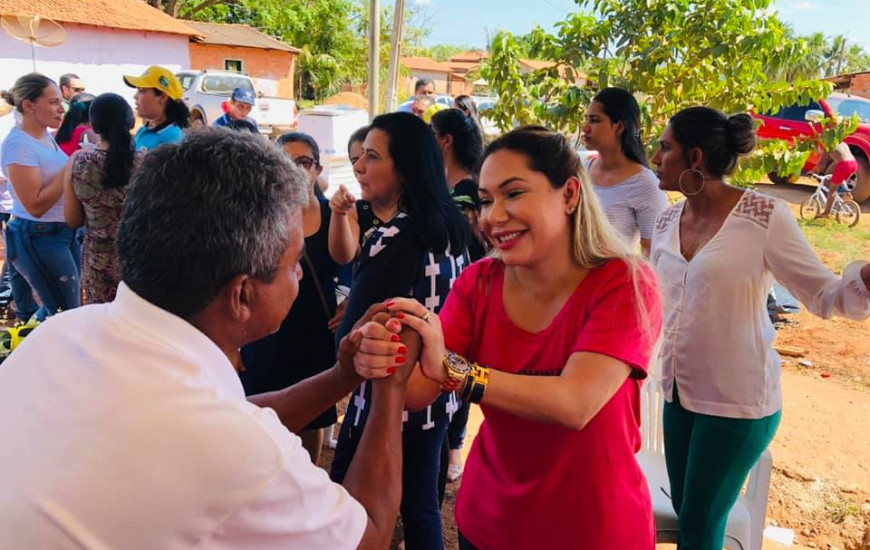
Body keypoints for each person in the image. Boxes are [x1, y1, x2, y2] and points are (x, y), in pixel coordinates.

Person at [0, 128, 419, 549]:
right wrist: (390, 387)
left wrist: (343, 375)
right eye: (294, 264)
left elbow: (230, 419)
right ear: (241, 295)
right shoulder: (230, 447)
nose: (298, 276)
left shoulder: (61, 333)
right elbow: (372, 536)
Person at [354, 125, 663, 549]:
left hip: (593, 527)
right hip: (490, 520)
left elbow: (574, 403)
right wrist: (389, 349)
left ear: (570, 195)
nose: (492, 216)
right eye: (485, 200)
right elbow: (419, 389)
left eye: (513, 194)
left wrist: (455, 371)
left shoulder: (624, 282)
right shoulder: (479, 282)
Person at [648, 106, 870, 549]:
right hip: (677, 396)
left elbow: (826, 296)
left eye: (664, 147)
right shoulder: (666, 220)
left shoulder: (764, 217)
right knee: (688, 514)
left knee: (699, 526)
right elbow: (657, 305)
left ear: (694, 157)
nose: (655, 157)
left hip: (736, 405)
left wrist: (864, 280)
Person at [329, 113, 468, 550]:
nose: (360, 167)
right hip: (438, 394)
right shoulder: (453, 229)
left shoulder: (390, 237)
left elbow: (348, 342)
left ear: (404, 167)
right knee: (423, 506)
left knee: (351, 507)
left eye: (372, 157)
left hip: (384, 406)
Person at [240, 132, 347, 465]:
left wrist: (349, 301)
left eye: (303, 162)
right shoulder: (258, 215)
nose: (296, 170)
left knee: (311, 413)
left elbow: (353, 263)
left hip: (315, 327)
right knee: (259, 409)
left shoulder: (336, 214)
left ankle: (307, 474)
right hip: (266, 330)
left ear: (317, 169)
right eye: (286, 162)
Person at [430, 108, 487, 485]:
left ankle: (453, 448)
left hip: (469, 294)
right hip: (449, 295)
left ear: (445, 141)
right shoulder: (443, 188)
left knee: (459, 374)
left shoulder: (467, 192)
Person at [1, 74, 80, 320]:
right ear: (28, 105)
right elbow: (35, 205)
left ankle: (28, 346)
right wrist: (71, 165)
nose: (62, 108)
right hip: (38, 234)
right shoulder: (18, 145)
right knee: (64, 312)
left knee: (63, 307)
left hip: (61, 232)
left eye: (61, 102)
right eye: (54, 102)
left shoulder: (44, 136)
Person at [63, 93, 144, 304]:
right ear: (131, 122)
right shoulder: (146, 162)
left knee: (100, 324)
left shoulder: (80, 162)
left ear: (94, 126)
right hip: (137, 257)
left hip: (97, 261)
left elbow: (72, 220)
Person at [583, 87, 667, 257]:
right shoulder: (580, 165)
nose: (585, 128)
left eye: (594, 120)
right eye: (586, 119)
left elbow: (651, 255)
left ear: (619, 126)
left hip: (610, 280)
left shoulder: (645, 185)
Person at [0, 99, 38, 321]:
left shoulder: (27, 129)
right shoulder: (12, 131)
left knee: (14, 258)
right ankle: (13, 304)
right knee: (14, 258)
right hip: (16, 204)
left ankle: (15, 305)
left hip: (15, 205)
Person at [123, 65, 189, 151]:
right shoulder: (142, 130)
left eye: (141, 90)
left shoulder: (172, 139)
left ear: (162, 97)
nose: (135, 96)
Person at [815, 140, 857, 218]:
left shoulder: (828, 144)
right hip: (853, 163)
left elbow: (822, 164)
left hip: (843, 165)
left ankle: (826, 213)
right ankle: (846, 194)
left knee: (832, 190)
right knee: (840, 181)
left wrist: (814, 171)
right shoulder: (842, 142)